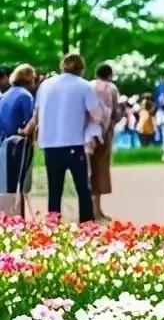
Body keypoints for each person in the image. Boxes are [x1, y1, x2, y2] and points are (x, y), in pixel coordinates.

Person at [32, 52, 104, 224]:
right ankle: (87, 223)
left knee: (54, 188)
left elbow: (36, 113)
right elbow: (97, 114)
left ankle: (53, 223)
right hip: (74, 142)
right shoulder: (84, 86)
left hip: (49, 144)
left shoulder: (45, 85)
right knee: (82, 187)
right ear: (81, 68)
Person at [88, 63, 119, 221]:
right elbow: (116, 112)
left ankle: (88, 209)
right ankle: (97, 210)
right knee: (100, 171)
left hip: (86, 134)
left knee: (88, 171)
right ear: (109, 75)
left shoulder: (88, 85)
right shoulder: (111, 88)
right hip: (104, 133)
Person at [0, 64, 36, 141]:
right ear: (30, 79)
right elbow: (30, 122)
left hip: (3, 141)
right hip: (16, 142)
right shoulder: (25, 96)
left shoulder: (5, 94)